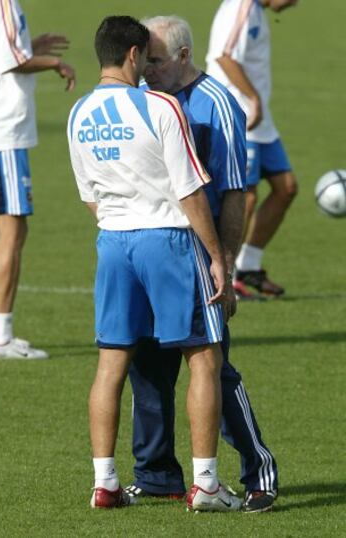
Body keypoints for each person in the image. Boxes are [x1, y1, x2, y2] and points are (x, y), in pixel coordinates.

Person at [67, 15, 242, 513]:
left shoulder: (79, 113)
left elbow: (90, 198)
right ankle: (207, 484)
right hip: (166, 240)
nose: (147, 67)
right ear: (131, 55)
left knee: (110, 364)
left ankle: (105, 483)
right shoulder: (159, 105)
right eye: (145, 57)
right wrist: (216, 257)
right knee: (203, 357)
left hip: (112, 242)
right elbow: (188, 190)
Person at [125, 15, 278, 514]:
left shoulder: (219, 105)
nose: (146, 69)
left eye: (156, 60)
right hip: (150, 250)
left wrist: (225, 263)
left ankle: (258, 471)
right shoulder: (144, 99)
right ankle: (155, 476)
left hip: (199, 255)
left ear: (184, 56)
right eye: (143, 59)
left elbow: (234, 193)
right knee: (147, 364)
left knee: (213, 368)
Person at [0, 0, 76, 359]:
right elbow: (11, 61)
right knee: (14, 229)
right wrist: (56, 63)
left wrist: (32, 48)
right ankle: (1, 338)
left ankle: (0, 336)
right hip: (2, 132)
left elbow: (2, 52)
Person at [206, 0, 299, 299]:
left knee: (286, 187)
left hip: (259, 118)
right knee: (244, 196)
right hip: (239, 113)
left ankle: (249, 269)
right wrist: (253, 98)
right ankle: (222, 275)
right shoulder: (241, 7)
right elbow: (223, 56)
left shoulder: (255, 9)